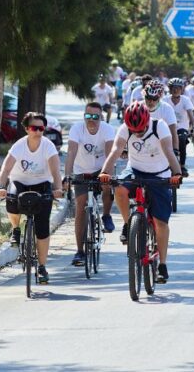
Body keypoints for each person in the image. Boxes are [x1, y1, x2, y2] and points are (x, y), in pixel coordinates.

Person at [99, 102, 182, 283]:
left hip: (160, 173)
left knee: (161, 222)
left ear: (147, 121)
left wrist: (176, 174)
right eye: (133, 129)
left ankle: (162, 265)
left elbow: (169, 151)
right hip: (135, 170)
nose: (137, 133)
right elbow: (115, 151)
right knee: (119, 188)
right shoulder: (125, 128)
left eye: (141, 129)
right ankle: (129, 224)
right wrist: (105, 171)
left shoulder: (159, 126)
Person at [0, 112, 64, 284]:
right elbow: (5, 169)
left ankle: (42, 267)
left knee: (42, 227)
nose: (38, 131)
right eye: (34, 128)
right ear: (27, 129)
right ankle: (16, 229)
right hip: (20, 182)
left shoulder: (48, 146)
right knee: (11, 200)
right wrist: (0, 187)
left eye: (41, 128)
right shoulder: (19, 146)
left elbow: (55, 171)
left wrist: (58, 188)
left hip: (42, 184)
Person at [65, 102, 116, 266]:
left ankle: (106, 215)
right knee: (81, 206)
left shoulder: (107, 129)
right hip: (82, 170)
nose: (91, 120)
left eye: (95, 117)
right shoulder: (76, 129)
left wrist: (107, 173)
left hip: (102, 168)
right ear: (84, 116)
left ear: (101, 117)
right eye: (88, 116)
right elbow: (71, 152)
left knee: (107, 185)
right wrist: (67, 176)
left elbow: (110, 153)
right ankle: (80, 251)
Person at [164, 78, 194, 176]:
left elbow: (191, 115)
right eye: (173, 88)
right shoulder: (165, 100)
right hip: (167, 128)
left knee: (182, 138)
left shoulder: (185, 100)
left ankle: (182, 165)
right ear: (170, 89)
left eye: (178, 88)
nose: (176, 90)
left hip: (181, 127)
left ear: (182, 89)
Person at [142, 81, 179, 155]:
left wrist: (175, 150)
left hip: (162, 142)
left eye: (154, 99)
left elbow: (173, 131)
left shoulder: (167, 108)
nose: (151, 102)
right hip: (142, 142)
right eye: (148, 98)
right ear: (144, 96)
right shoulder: (138, 107)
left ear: (160, 98)